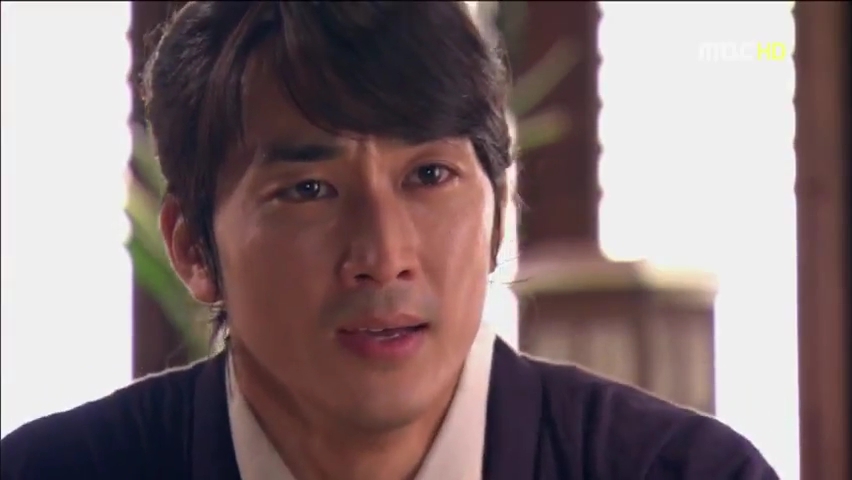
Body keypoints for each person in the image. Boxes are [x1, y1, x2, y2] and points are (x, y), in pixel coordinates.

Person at [0, 2, 778, 479]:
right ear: (193, 250)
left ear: (498, 215)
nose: (383, 256)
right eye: (308, 190)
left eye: (430, 176)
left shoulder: (681, 471)